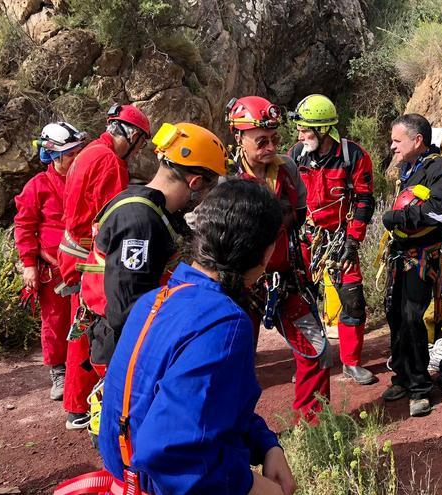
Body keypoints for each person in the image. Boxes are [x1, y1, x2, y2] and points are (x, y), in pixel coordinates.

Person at [95, 179, 295, 495]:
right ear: (266, 252)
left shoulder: (156, 300)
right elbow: (174, 450)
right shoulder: (224, 323)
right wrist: (248, 486)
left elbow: (209, 406)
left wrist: (266, 444)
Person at [82, 122, 228, 372]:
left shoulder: (156, 209)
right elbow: (126, 311)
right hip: (128, 352)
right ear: (195, 182)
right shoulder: (139, 221)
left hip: (139, 341)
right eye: (208, 187)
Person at [225, 95, 329, 418]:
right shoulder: (226, 182)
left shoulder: (288, 171)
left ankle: (316, 428)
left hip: (286, 280)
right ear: (239, 138)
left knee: (316, 349)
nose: (269, 147)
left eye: (273, 139)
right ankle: (234, 434)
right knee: (232, 364)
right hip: (241, 287)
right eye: (261, 141)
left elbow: (298, 218)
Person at [57, 103, 150, 430]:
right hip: (89, 257)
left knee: (79, 326)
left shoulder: (88, 152)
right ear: (133, 135)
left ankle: (75, 405)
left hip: (72, 249)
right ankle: (94, 402)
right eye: (141, 143)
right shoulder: (110, 162)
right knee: (96, 328)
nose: (139, 151)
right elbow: (115, 220)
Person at [288, 94, 376, 386]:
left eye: (305, 130)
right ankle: (309, 360)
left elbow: (363, 200)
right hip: (306, 238)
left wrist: (354, 240)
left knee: (352, 301)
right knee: (303, 302)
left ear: (323, 129)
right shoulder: (296, 155)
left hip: (340, 239)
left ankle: (351, 363)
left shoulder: (353, 156)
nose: (300, 135)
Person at [380, 114, 442, 417]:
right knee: (395, 314)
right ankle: (402, 375)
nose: (393, 146)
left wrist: (399, 219)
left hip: (422, 257)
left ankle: (419, 387)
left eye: (397, 141)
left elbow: (437, 210)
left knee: (412, 317)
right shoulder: (408, 168)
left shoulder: (439, 170)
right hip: (401, 254)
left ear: (417, 140)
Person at [14, 122, 88, 401]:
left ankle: (81, 369)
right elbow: (24, 225)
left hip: (83, 265)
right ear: (55, 156)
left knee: (82, 319)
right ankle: (58, 371)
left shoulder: (84, 178)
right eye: (71, 153)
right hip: (53, 271)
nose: (77, 157)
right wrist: (29, 264)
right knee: (55, 322)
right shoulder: (37, 187)